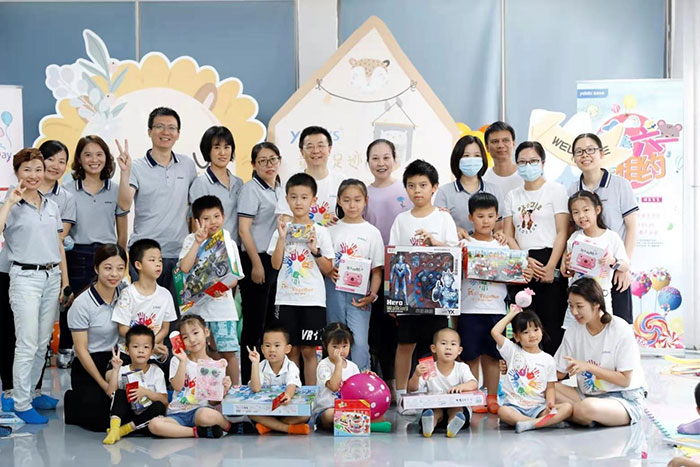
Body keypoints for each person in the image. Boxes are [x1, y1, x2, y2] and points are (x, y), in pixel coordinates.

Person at [0, 148, 70, 423]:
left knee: (42, 344)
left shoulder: (51, 205)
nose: (34, 175)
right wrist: (9, 203)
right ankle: (20, 402)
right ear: (17, 172)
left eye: (38, 169)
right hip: (25, 278)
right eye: (27, 169)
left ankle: (30, 393)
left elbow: (58, 244)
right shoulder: (11, 202)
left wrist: (64, 281)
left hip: (51, 277)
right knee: (27, 343)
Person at [388, 159, 458, 409]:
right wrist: (393, 298)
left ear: (434, 187)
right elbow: (393, 258)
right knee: (405, 344)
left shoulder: (443, 219)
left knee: (434, 345)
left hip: (436, 297)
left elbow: (454, 254)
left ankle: (431, 392)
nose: (417, 190)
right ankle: (401, 393)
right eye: (411, 185)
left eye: (423, 185)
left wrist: (435, 244)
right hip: (409, 296)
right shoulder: (401, 220)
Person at [459, 193, 532, 415]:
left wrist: (523, 272)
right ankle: (473, 396)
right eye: (480, 216)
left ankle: (492, 397)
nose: (486, 221)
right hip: (469, 309)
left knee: (493, 355)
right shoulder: (463, 244)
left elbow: (518, 270)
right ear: (470, 217)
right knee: (470, 355)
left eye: (491, 216)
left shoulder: (503, 245)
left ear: (497, 217)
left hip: (496, 310)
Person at [116, 107, 197, 303]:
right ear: (149, 131)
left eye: (171, 128)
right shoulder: (136, 167)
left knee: (177, 314)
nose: (165, 132)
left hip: (180, 254)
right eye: (159, 126)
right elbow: (124, 204)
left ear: (178, 133)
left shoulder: (187, 165)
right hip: (145, 255)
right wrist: (125, 173)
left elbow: (193, 210)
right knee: (145, 314)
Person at [62, 135, 129, 369]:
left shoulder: (116, 190)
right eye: (88, 155)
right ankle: (69, 349)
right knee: (73, 302)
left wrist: (121, 261)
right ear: (79, 159)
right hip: (77, 254)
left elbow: (122, 232)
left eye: (99, 154)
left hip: (108, 254)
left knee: (110, 303)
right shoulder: (68, 190)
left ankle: (107, 351)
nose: (94, 160)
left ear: (107, 158)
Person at [502, 141, 569, 354]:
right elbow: (508, 235)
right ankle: (524, 371)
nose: (527, 166)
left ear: (543, 163)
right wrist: (523, 259)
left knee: (551, 323)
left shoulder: (556, 190)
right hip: (522, 263)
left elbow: (562, 232)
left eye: (533, 161)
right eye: (522, 162)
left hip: (549, 259)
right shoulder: (512, 195)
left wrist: (551, 266)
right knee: (524, 324)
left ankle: (552, 372)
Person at [267, 173, 334, 385]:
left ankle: (312, 396)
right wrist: (281, 238)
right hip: (286, 299)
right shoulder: (281, 230)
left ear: (313, 200)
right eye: (294, 197)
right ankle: (294, 393)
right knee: (291, 350)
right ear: (287, 199)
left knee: (309, 351)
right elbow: (275, 265)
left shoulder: (321, 232)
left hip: (312, 300)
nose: (298, 202)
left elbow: (328, 269)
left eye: (304, 197)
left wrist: (315, 251)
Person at [554, 278, 646, 427]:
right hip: (587, 395)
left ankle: (571, 414)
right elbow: (557, 372)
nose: (574, 312)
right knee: (546, 389)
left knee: (586, 408)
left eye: (579, 306)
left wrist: (588, 367)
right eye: (571, 306)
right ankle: (578, 415)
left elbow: (625, 380)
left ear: (596, 304)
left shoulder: (620, 329)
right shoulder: (573, 330)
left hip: (623, 398)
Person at [568, 133, 638, 324]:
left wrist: (623, 266)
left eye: (590, 149)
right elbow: (571, 230)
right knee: (586, 326)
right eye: (579, 151)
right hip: (586, 275)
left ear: (601, 153)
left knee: (619, 324)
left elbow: (632, 228)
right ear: (574, 158)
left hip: (614, 270)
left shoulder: (620, 185)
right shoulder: (571, 189)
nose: (585, 155)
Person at [147, 314, 247, 438]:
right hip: (177, 413)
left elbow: (213, 402)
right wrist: (183, 361)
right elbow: (177, 387)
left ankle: (229, 426)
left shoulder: (215, 365)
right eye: (185, 337)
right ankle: (198, 432)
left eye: (195, 333)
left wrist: (223, 390)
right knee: (154, 425)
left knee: (206, 416)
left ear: (206, 332)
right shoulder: (177, 360)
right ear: (180, 341)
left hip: (200, 411)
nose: (192, 339)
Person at [179, 195, 243, 384]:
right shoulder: (191, 240)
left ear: (223, 216)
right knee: (205, 353)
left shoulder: (229, 242)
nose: (213, 222)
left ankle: (234, 391)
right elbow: (184, 268)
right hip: (198, 311)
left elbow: (235, 277)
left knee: (228, 352)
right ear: (196, 221)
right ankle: (210, 391)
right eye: (206, 218)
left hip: (222, 310)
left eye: (216, 216)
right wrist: (197, 242)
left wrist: (220, 288)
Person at [363, 138, 410, 395]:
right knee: (378, 327)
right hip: (374, 270)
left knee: (399, 327)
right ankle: (383, 380)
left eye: (386, 157)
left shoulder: (406, 189)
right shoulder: (363, 193)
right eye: (375, 158)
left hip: (401, 269)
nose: (381, 163)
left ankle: (402, 382)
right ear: (368, 162)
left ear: (395, 160)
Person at [64, 244, 126, 431]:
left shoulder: (126, 295)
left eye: (120, 268)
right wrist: (104, 384)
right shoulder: (82, 304)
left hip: (117, 360)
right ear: (96, 268)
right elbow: (81, 350)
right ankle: (71, 400)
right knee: (99, 419)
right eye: (108, 268)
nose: (114, 274)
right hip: (89, 363)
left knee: (127, 410)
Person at [326, 179, 384, 371]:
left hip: (360, 295)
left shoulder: (372, 232)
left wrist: (372, 295)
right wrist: (328, 270)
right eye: (347, 200)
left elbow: (377, 270)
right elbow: (322, 262)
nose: (352, 205)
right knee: (335, 337)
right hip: (333, 291)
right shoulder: (330, 230)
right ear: (339, 201)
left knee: (359, 341)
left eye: (357, 200)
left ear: (366, 200)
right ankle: (335, 378)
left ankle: (361, 379)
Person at [238, 142, 283, 384]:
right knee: (254, 324)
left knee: (270, 323)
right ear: (254, 165)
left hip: (276, 259)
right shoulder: (250, 189)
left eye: (273, 159)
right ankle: (249, 378)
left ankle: (267, 378)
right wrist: (256, 264)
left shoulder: (280, 188)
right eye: (263, 161)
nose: (269, 165)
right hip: (256, 259)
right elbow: (244, 230)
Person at [491, 307, 573, 433]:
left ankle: (529, 423)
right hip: (514, 406)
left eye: (536, 329)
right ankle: (539, 423)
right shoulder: (512, 350)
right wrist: (512, 314)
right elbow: (495, 332)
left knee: (567, 407)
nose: (532, 335)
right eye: (526, 332)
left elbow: (550, 387)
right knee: (503, 411)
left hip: (538, 408)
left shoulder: (548, 359)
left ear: (541, 330)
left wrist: (550, 403)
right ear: (517, 337)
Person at [560, 191, 629, 328]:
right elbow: (568, 270)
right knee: (574, 335)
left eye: (586, 210)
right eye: (575, 212)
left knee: (602, 332)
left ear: (597, 210)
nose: (581, 216)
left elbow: (625, 266)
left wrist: (612, 262)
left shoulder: (612, 237)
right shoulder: (575, 237)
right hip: (577, 299)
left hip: (601, 297)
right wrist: (568, 266)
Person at [112, 239, 177, 363]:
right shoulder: (128, 294)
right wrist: (146, 345)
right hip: (129, 354)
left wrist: (150, 345)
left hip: (153, 354)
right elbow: (123, 328)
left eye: (160, 260)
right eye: (152, 260)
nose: (158, 264)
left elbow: (165, 328)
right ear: (138, 265)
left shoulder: (165, 295)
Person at [103, 325, 168, 445]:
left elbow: (164, 400)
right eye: (135, 346)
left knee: (159, 407)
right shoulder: (123, 370)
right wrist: (116, 369)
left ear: (152, 351)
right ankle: (114, 429)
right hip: (127, 416)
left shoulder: (156, 371)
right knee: (119, 393)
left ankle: (123, 431)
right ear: (127, 350)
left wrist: (146, 392)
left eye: (146, 347)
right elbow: (110, 393)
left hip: (145, 421)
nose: (141, 351)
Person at [407, 328, 477, 438]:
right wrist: (416, 375)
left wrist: (462, 386)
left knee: (456, 410)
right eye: (443, 343)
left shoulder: (462, 368)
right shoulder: (428, 368)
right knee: (435, 411)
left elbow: (473, 383)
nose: (448, 347)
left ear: (459, 350)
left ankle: (453, 426)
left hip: (458, 407)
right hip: (434, 406)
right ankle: (430, 425)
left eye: (453, 344)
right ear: (433, 348)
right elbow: (412, 388)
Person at [435, 135, 503, 239]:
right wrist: (454, 230)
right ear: (457, 158)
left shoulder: (494, 190)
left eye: (477, 155)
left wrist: (499, 235)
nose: (471, 160)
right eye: (466, 156)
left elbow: (499, 228)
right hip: (456, 246)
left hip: (486, 247)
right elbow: (438, 226)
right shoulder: (444, 192)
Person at [276, 126, 343, 226]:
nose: (316, 151)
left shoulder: (341, 182)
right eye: (310, 147)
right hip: (301, 236)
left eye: (321, 146)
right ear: (302, 151)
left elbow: (349, 217)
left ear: (329, 149)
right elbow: (286, 219)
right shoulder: (292, 182)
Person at [247, 327, 309, 435]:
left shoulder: (291, 366)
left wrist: (288, 395)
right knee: (251, 413)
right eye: (267, 346)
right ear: (262, 349)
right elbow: (256, 388)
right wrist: (255, 364)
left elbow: (292, 384)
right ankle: (287, 428)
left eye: (277, 345)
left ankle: (268, 426)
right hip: (266, 411)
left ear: (287, 349)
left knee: (305, 415)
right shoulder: (260, 366)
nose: (272, 350)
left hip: (286, 409)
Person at [189, 126, 243, 243]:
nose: (222, 153)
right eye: (217, 147)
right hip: (212, 249)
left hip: (235, 248)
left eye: (227, 147)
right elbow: (195, 224)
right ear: (208, 150)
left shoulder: (239, 183)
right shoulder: (201, 183)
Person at [313, 323, 360, 430]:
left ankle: (349, 424)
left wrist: (367, 376)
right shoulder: (323, 365)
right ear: (326, 345)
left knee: (374, 414)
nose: (340, 351)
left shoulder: (353, 366)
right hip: (326, 410)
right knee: (332, 414)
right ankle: (353, 424)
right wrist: (338, 364)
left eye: (344, 346)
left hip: (347, 409)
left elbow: (358, 390)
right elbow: (334, 386)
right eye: (335, 347)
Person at [482, 121, 522, 198]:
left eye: (505, 140)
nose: (500, 145)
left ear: (514, 144)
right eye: (495, 141)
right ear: (487, 147)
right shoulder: (482, 178)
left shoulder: (526, 176)